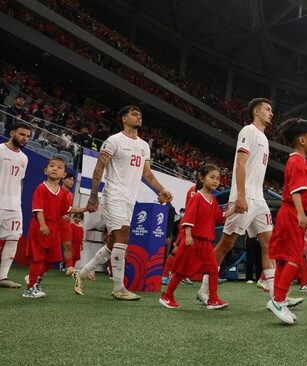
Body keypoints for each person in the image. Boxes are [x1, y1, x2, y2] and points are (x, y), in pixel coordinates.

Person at [74, 105, 173, 300]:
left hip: (130, 198)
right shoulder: (114, 141)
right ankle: (119, 288)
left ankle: (82, 273)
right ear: (124, 118)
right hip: (114, 194)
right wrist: (94, 195)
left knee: (113, 242)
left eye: (140, 114)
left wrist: (162, 189)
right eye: (134, 114)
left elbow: (147, 174)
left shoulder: (144, 146)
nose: (139, 117)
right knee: (123, 236)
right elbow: (99, 168)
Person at [198, 98, 275, 303]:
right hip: (244, 194)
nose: (271, 113)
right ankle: (204, 289)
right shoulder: (248, 131)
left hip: (259, 197)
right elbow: (240, 164)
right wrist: (240, 195)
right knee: (227, 243)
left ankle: (276, 295)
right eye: (267, 109)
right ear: (256, 112)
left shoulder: (264, 138)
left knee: (270, 243)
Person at [267, 117, 307, 325]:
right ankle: (278, 300)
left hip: (289, 212)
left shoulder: (298, 160)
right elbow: (296, 192)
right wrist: (301, 215)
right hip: (292, 212)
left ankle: (278, 297)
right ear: (301, 139)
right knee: (293, 257)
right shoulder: (297, 161)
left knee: (284, 258)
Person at [159, 164, 234, 309]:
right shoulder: (197, 197)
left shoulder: (213, 200)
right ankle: (167, 295)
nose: (215, 181)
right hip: (193, 241)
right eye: (212, 177)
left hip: (206, 242)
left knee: (213, 269)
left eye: (217, 178)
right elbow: (188, 217)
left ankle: (213, 299)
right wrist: (187, 236)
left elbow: (220, 217)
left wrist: (235, 210)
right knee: (182, 270)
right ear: (202, 178)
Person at [23, 158, 89, 298]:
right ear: (45, 170)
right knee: (38, 258)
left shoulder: (62, 193)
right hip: (41, 226)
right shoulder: (41, 188)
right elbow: (38, 208)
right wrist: (42, 224)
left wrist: (86, 208)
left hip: (54, 228)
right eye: (51, 166)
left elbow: (68, 209)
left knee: (54, 259)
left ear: (63, 174)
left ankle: (36, 279)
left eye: (59, 167)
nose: (54, 169)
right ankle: (30, 288)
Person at [0, 122, 30, 288]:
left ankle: (2, 277)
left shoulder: (24, 158)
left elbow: (21, 181)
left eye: (27, 136)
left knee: (13, 238)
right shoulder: (0, 150)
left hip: (14, 205)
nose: (25, 138)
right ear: (12, 133)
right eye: (21, 134)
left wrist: (17, 200)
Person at [59, 173, 76, 276]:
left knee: (68, 246)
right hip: (55, 224)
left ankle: (69, 267)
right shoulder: (57, 191)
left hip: (66, 225)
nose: (71, 182)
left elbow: (68, 209)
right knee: (49, 247)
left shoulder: (71, 195)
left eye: (73, 180)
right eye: (70, 179)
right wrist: (61, 216)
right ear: (63, 180)